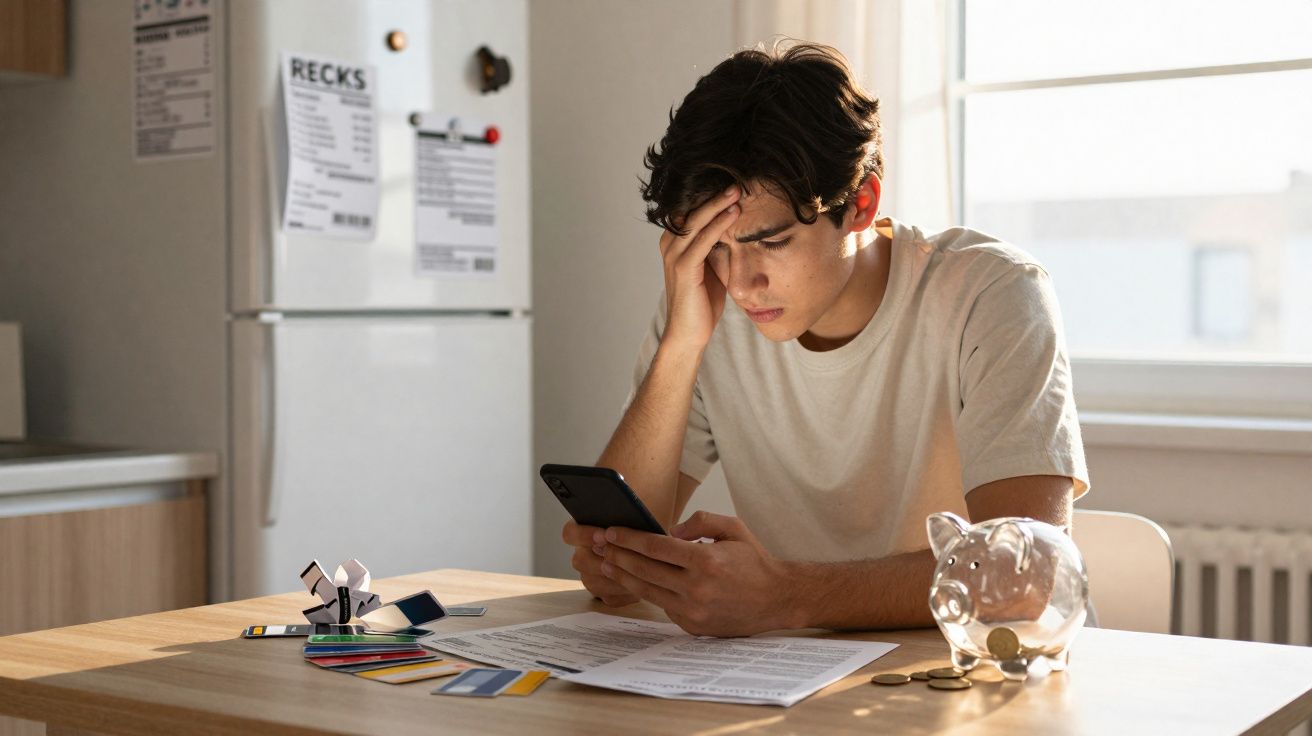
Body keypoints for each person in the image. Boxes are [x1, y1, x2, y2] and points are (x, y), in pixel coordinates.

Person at [561, 41, 1089, 637]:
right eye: (715, 247)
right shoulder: (703, 303)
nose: (741, 283)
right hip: (793, 673)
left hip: (971, 665)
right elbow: (612, 572)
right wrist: (680, 346)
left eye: (771, 242)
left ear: (861, 203)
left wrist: (786, 596)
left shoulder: (992, 294)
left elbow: (1024, 574)